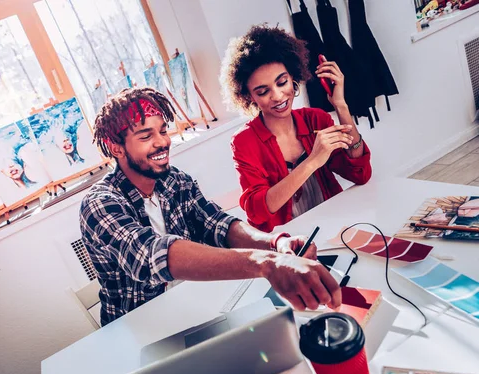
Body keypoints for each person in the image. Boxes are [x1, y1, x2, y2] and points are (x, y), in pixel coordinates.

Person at [79, 87, 341, 326]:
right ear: (117, 148)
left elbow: (218, 225)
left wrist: (275, 244)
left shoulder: (175, 180)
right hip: (140, 327)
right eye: (146, 135)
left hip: (198, 306)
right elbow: (153, 256)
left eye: (162, 130)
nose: (162, 142)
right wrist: (269, 264)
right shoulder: (100, 204)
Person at [220, 25, 372, 233]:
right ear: (249, 97)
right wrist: (312, 162)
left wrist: (341, 105)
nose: (278, 96)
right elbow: (258, 212)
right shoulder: (244, 142)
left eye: (282, 82)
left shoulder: (315, 120)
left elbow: (360, 173)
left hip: (335, 227)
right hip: (290, 243)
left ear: (292, 77)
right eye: (263, 91)